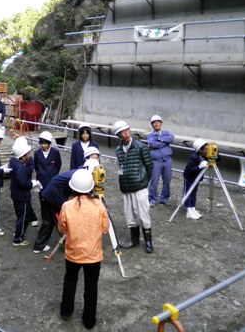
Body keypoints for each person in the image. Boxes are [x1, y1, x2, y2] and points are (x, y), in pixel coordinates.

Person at [58, 169, 109, 329]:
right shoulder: (99, 205)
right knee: (91, 286)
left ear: (73, 187)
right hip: (93, 255)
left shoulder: (66, 206)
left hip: (73, 253)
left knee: (70, 281)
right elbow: (105, 228)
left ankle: (66, 311)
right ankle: (89, 320)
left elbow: (62, 229)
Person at [113, 120, 154, 253]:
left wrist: (144, 181)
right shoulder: (118, 150)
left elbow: (149, 166)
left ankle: (148, 241)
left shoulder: (140, 146)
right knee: (129, 216)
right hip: (126, 188)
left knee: (143, 214)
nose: (126, 133)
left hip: (140, 187)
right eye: (122, 132)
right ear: (118, 135)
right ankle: (134, 240)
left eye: (127, 130)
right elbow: (121, 166)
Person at [9, 138, 40, 246]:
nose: (29, 154)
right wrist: (33, 183)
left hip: (15, 194)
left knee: (20, 215)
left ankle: (18, 234)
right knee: (24, 217)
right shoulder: (21, 168)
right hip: (22, 196)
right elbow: (23, 184)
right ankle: (18, 239)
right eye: (27, 153)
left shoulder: (14, 163)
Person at [34, 131, 62, 239]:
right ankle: (45, 221)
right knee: (43, 203)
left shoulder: (55, 152)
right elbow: (36, 166)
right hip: (41, 183)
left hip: (52, 182)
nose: (43, 146)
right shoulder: (37, 153)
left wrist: (53, 176)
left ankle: (56, 222)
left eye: (45, 143)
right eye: (41, 143)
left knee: (54, 203)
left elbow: (58, 165)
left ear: (49, 143)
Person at [147, 115, 174, 207]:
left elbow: (171, 138)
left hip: (167, 160)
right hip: (156, 161)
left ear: (161, 123)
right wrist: (164, 142)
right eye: (154, 123)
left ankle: (164, 199)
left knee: (167, 180)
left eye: (158, 122)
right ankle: (152, 199)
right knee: (154, 180)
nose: (156, 124)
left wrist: (160, 139)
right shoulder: (150, 135)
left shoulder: (166, 133)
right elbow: (153, 144)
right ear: (152, 125)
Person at [183, 138, 209, 220]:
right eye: (205, 149)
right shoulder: (193, 157)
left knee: (194, 193)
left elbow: (217, 159)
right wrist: (199, 166)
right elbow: (191, 170)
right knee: (188, 193)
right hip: (189, 177)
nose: (206, 150)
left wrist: (216, 153)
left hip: (196, 178)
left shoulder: (204, 156)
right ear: (200, 149)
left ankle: (193, 208)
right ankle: (188, 211)